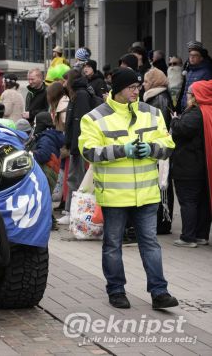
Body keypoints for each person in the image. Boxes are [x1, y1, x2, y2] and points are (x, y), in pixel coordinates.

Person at [79, 67, 177, 310]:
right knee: (113, 245)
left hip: (147, 194)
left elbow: (168, 145)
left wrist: (151, 149)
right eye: (131, 87)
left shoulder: (152, 112)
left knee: (150, 244)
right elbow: (89, 152)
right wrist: (123, 150)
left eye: (138, 87)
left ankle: (160, 292)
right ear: (118, 89)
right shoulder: (94, 117)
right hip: (114, 196)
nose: (136, 91)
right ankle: (116, 290)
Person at [170, 84, 210, 247]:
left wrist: (174, 120)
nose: (186, 96)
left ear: (195, 96)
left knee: (188, 201)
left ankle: (188, 237)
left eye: (189, 93)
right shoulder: (206, 111)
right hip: (202, 165)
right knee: (202, 202)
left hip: (189, 165)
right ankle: (201, 235)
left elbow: (182, 129)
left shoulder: (195, 113)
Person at [59, 69, 96, 225]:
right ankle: (71, 211)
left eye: (65, 80)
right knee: (74, 178)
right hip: (76, 144)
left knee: (75, 179)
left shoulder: (80, 95)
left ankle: (72, 212)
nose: (63, 84)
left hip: (79, 145)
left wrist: (75, 145)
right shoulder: (78, 94)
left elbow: (80, 123)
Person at [177, 41, 212, 114]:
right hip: (185, 109)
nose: (192, 57)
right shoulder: (189, 71)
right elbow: (184, 90)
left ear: (201, 58)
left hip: (196, 110)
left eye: (195, 55)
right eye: (190, 55)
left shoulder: (207, 72)